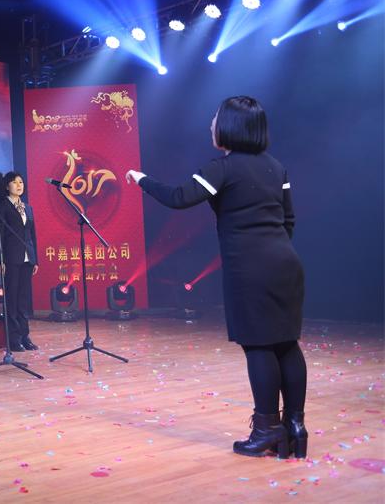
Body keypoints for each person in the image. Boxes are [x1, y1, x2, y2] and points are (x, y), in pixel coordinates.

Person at [125, 96, 306, 459]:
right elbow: (288, 221)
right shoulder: (277, 167)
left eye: (215, 119)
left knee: (259, 345)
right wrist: (272, 248)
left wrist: (142, 179)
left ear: (230, 127)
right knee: (286, 343)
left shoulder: (222, 168)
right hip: (286, 263)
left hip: (250, 267)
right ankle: (295, 428)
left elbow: (179, 198)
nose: (211, 124)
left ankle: (267, 429)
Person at [0, 172, 39, 351]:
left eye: (21, 182)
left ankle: (25, 336)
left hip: (27, 258)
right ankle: (13, 338)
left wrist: (35, 259)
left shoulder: (27, 208)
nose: (19, 185)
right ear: (7, 186)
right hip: (11, 258)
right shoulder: (2, 207)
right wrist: (0, 259)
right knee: (12, 299)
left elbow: (32, 235)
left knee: (23, 299)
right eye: (14, 182)